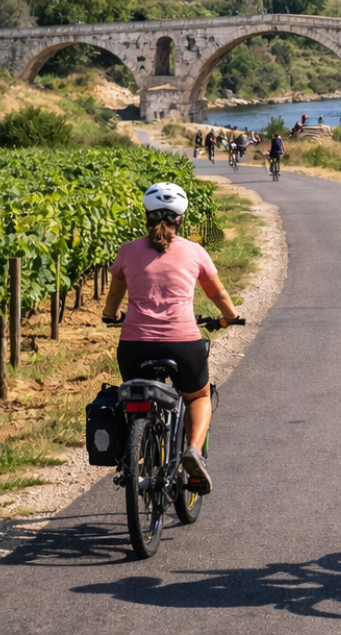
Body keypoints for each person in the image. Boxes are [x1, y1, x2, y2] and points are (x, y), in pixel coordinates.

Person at [102, 182, 240, 494]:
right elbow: (217, 293)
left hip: (135, 344)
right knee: (198, 396)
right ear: (181, 219)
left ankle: (135, 454)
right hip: (183, 342)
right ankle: (192, 450)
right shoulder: (194, 251)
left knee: (133, 397)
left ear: (146, 216)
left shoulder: (128, 250)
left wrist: (110, 316)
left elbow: (114, 294)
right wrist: (231, 317)